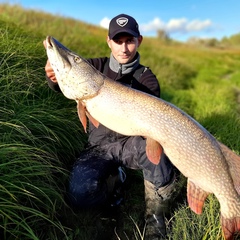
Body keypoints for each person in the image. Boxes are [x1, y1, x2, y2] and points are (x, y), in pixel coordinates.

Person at [44, 13, 178, 239]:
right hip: (99, 146)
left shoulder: (147, 78)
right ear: (109, 41)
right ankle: (114, 179)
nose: (124, 48)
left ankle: (155, 217)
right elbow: (69, 82)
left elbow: (152, 122)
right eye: (118, 41)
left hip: (132, 143)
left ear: (139, 41)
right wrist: (53, 77)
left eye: (129, 41)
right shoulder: (95, 66)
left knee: (159, 160)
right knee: (79, 194)